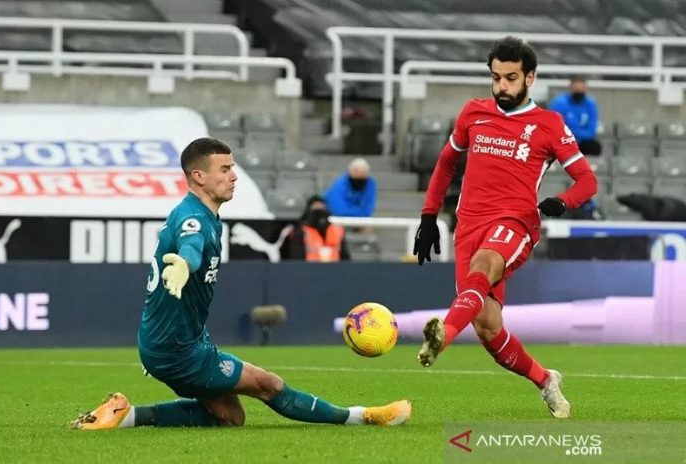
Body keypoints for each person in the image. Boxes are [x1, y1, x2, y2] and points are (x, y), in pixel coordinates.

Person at [71, 137, 410, 430]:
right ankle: (361, 416)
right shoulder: (194, 219)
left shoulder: (203, 214)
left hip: (176, 339)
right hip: (175, 349)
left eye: (233, 168)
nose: (234, 177)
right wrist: (184, 264)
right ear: (198, 176)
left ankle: (124, 415)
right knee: (268, 384)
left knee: (230, 417)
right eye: (225, 170)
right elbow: (192, 244)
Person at [412, 37, 598, 419]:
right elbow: (446, 163)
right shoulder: (472, 114)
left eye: (511, 78)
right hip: (468, 225)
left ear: (530, 77)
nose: (502, 87)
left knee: (484, 265)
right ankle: (546, 380)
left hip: (515, 223)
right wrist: (429, 216)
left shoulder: (548, 124)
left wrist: (564, 201)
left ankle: (442, 335)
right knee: (487, 327)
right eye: (496, 78)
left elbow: (586, 180)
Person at [280, 195, 351, 262]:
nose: (320, 215)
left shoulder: (337, 230)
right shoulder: (300, 231)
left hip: (336, 270)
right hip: (310, 271)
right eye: (316, 209)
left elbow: (345, 257)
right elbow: (296, 259)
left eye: (322, 209)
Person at [549, 77, 602, 156]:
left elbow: (591, 130)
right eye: (576, 89)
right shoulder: (559, 103)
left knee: (594, 146)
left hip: (583, 141)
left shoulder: (590, 104)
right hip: (564, 140)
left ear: (585, 89)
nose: (579, 91)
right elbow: (555, 127)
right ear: (571, 88)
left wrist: (576, 134)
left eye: (581, 89)